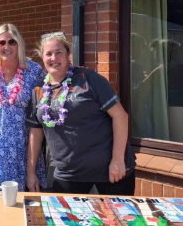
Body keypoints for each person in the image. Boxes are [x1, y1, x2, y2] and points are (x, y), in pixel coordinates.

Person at [26, 32, 136, 195]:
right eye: (48, 54)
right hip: (68, 176)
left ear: (68, 55)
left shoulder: (88, 79)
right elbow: (36, 133)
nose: (53, 58)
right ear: (42, 58)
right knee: (65, 220)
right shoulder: (38, 91)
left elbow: (120, 116)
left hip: (109, 172)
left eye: (58, 53)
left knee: (116, 220)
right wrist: (31, 173)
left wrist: (118, 160)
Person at [0, 23, 47, 214]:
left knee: (24, 204)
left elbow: (52, 93)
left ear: (19, 43)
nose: (7, 46)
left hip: (21, 146)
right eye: (1, 42)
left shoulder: (34, 71)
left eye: (12, 41)